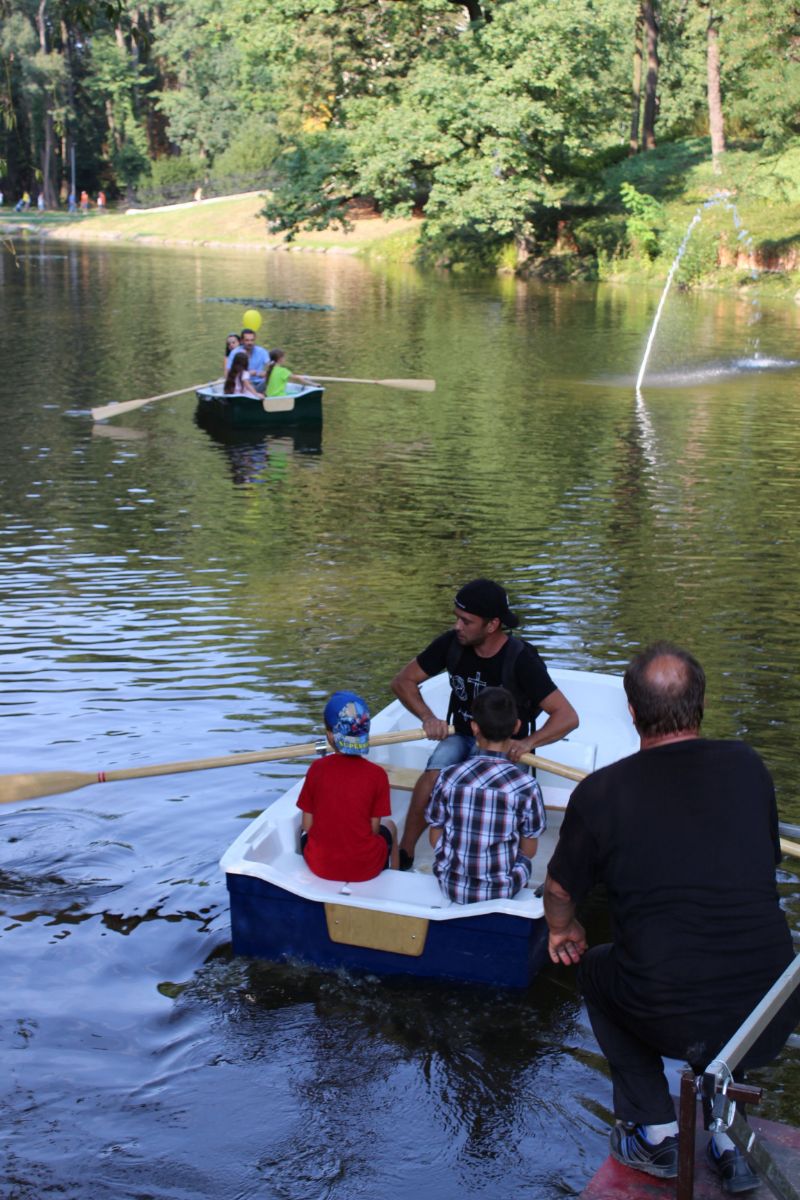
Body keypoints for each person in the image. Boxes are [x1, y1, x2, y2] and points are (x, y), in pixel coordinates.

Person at [544, 642, 800, 1192]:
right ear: (701, 704)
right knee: (728, 960)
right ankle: (729, 1140)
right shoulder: (749, 767)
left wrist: (563, 928)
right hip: (773, 1007)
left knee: (597, 970)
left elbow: (560, 888)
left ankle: (656, 1132)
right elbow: (762, 863)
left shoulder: (601, 792)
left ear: (633, 712)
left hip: (670, 1010)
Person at [391, 578, 578, 869]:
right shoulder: (451, 644)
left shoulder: (522, 659)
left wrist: (527, 743)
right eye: (457, 618)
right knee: (433, 776)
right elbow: (403, 681)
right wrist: (428, 718)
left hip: (507, 745)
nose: (457, 626)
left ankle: (502, 865)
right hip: (463, 734)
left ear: (492, 625)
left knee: (504, 794)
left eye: (466, 621)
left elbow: (567, 716)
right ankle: (406, 851)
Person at [426, 687, 546, 903]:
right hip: (501, 890)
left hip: (449, 885)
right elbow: (529, 850)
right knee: (524, 861)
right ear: (517, 726)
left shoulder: (448, 776)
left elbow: (434, 837)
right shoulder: (527, 786)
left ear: (474, 727)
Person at [296, 691, 398, 881]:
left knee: (300, 832)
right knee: (390, 827)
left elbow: (307, 825)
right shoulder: (378, 775)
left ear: (330, 735)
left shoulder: (316, 769)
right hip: (365, 868)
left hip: (320, 866)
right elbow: (374, 830)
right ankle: (394, 878)